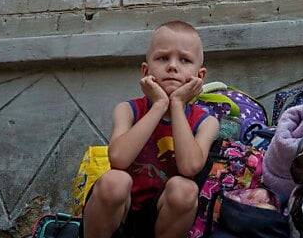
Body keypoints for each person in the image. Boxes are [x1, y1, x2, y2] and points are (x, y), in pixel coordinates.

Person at [83, 21, 220, 238]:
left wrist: (176, 104)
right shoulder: (128, 109)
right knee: (115, 180)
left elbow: (189, 167)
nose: (173, 66)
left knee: (185, 189)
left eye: (184, 60)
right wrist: (158, 106)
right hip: (117, 215)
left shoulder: (206, 121)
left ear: (200, 77)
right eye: (163, 58)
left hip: (160, 219)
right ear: (146, 71)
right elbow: (118, 159)